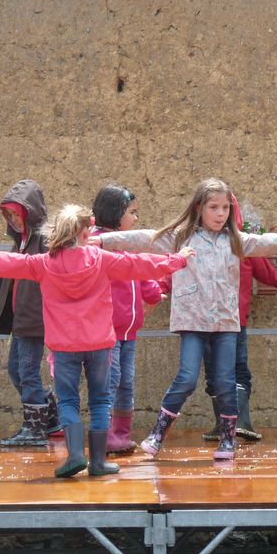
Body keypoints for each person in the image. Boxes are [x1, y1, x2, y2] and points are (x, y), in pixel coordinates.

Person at [95, 178, 277, 461]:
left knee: (225, 381)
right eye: (214, 207)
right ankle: (158, 434)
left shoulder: (235, 240)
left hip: (224, 323)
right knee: (186, 378)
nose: (220, 213)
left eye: (225, 208)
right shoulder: (180, 236)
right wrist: (102, 239)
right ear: (200, 208)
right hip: (192, 322)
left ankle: (227, 438)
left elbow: (266, 243)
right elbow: (142, 238)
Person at [0, 205, 192, 478]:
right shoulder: (101, 259)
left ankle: (75, 456)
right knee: (100, 401)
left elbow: (8, 262)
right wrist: (177, 260)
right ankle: (98, 462)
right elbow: (140, 264)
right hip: (100, 344)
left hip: (64, 347)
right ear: (86, 232)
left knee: (68, 402)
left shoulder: (43, 263)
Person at [203, 193, 277, 443]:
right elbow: (269, 274)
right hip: (232, 320)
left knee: (214, 372)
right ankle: (239, 422)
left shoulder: (221, 244)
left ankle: (224, 424)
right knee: (237, 371)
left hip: (208, 322)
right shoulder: (246, 246)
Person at [0, 179, 59, 447]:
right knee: (17, 371)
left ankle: (35, 428)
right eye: (10, 215)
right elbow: (2, 273)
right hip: (20, 319)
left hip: (35, 319)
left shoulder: (45, 241)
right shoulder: (21, 242)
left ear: (32, 212)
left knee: (26, 371)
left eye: (19, 214)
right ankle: (50, 415)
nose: (15, 220)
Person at [90, 184, 164, 455]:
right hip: (107, 331)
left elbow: (140, 273)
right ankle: (106, 434)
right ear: (115, 213)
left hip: (129, 331)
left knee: (125, 382)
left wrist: (155, 293)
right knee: (110, 382)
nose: (136, 219)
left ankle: (121, 434)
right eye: (132, 212)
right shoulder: (97, 244)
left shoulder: (127, 242)